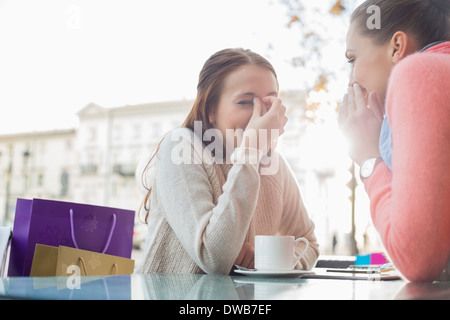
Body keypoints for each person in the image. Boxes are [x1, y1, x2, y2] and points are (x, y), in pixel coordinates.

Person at [135, 48, 319, 274]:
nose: (260, 115)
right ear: (211, 110)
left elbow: (309, 243)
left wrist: (269, 260)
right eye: (245, 102)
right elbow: (213, 258)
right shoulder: (181, 146)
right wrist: (251, 151)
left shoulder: (274, 166)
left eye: (269, 102)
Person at [339, 0, 450, 282]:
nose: (351, 81)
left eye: (352, 59)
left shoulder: (421, 72)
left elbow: (417, 259)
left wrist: (368, 159)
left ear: (397, 47)